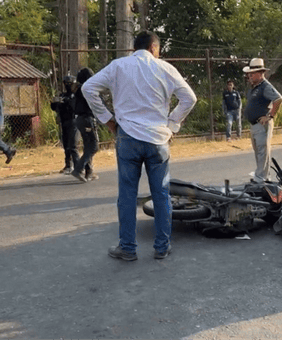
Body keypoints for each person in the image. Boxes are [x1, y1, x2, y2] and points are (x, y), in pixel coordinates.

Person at [81, 31, 197, 261]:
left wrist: (108, 120)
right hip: (158, 140)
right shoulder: (165, 68)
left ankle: (128, 248)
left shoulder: (118, 66)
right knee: (161, 194)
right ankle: (162, 247)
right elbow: (189, 99)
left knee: (127, 195)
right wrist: (172, 124)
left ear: (135, 48)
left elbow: (88, 88)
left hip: (128, 138)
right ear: (154, 48)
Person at [242, 58, 282, 182]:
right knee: (259, 151)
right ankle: (262, 175)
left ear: (260, 73)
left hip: (262, 124)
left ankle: (261, 178)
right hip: (255, 125)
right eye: (249, 74)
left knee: (262, 151)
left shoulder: (265, 86)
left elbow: (278, 99)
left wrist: (270, 116)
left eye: (252, 74)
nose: (249, 76)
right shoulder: (255, 87)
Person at [71, 68, 99, 182]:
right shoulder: (87, 89)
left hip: (79, 119)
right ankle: (78, 169)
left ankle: (89, 172)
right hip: (87, 119)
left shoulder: (78, 89)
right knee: (93, 146)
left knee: (88, 146)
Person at [51, 75, 79, 174]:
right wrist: (55, 102)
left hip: (73, 122)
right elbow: (54, 108)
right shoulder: (63, 95)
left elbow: (73, 107)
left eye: (69, 84)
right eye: (66, 84)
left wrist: (66, 102)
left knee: (72, 145)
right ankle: (68, 165)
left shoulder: (75, 95)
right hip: (64, 122)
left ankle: (77, 166)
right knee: (66, 144)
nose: (68, 86)